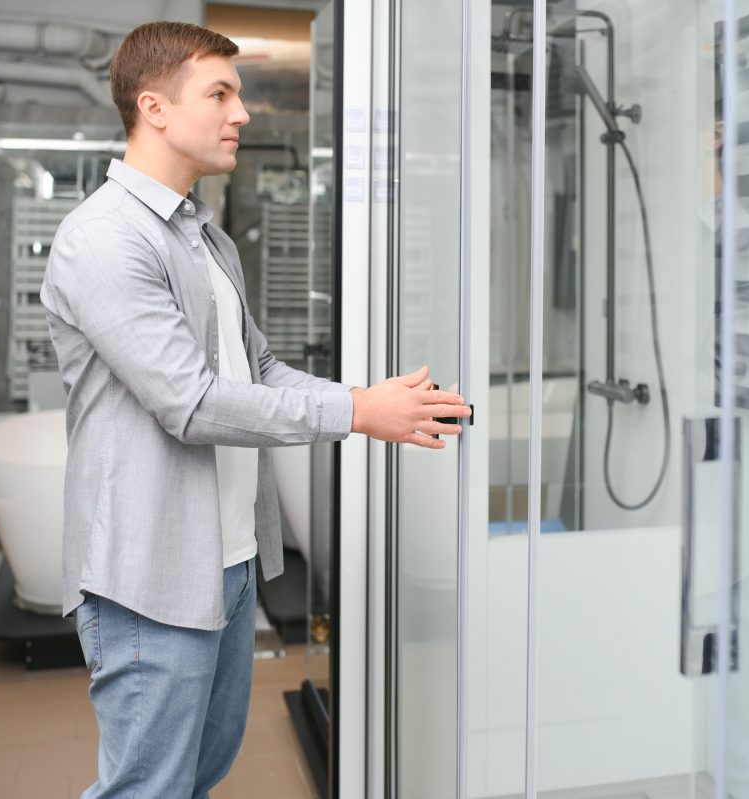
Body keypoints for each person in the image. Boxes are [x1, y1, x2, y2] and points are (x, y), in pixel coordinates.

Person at [39, 21, 470, 799]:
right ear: (154, 108)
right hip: (149, 576)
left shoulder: (206, 237)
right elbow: (191, 402)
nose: (242, 113)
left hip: (227, 561)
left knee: (197, 775)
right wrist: (356, 413)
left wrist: (376, 400)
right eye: (221, 93)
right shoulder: (101, 238)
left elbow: (259, 366)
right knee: (148, 788)